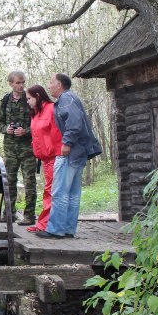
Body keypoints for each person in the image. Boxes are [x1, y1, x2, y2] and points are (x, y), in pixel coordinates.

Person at [36, 73, 103, 239]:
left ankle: (55, 229)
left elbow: (74, 123)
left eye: (51, 82)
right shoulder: (70, 98)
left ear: (59, 85)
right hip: (80, 152)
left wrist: (67, 143)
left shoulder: (66, 99)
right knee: (73, 193)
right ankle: (68, 229)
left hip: (71, 152)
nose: (49, 86)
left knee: (59, 192)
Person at [0, 70, 37, 225]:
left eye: (22, 82)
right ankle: (9, 213)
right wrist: (7, 129)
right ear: (11, 83)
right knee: (9, 181)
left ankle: (29, 216)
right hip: (10, 148)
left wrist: (25, 131)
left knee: (29, 182)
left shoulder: (30, 99)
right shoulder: (6, 100)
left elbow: (39, 123)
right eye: (18, 83)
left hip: (28, 148)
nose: (21, 85)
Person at [25, 85, 61, 233]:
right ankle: (44, 223)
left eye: (29, 99)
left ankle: (45, 224)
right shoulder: (36, 113)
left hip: (54, 157)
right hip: (44, 158)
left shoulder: (52, 108)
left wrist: (58, 153)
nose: (27, 102)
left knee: (51, 191)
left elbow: (58, 133)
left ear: (38, 96)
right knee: (49, 190)